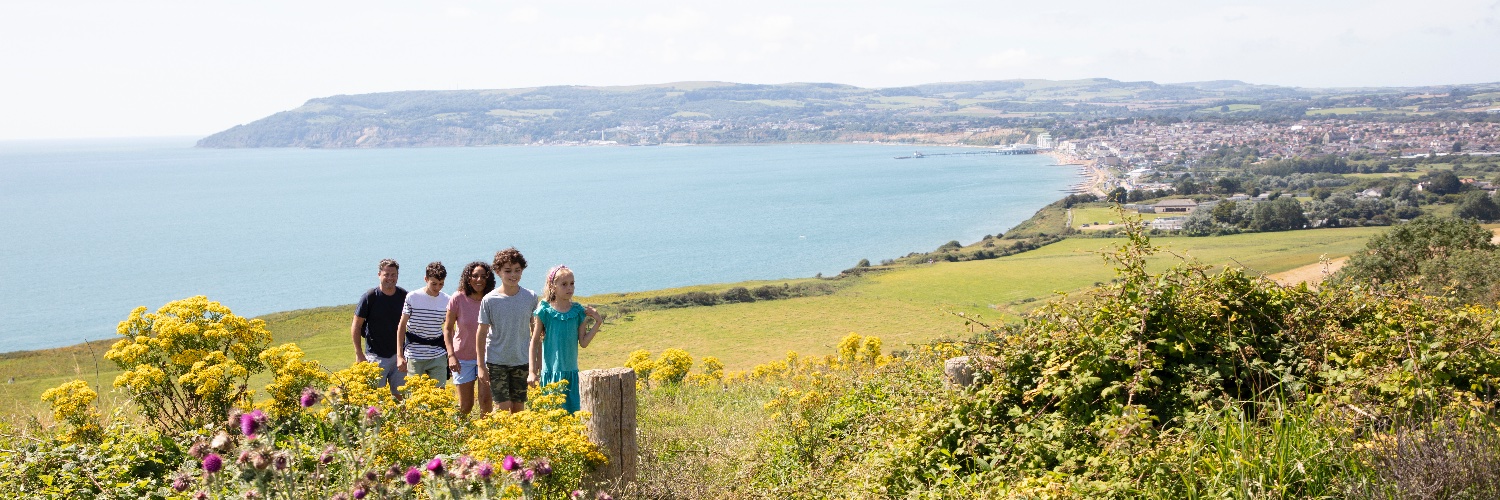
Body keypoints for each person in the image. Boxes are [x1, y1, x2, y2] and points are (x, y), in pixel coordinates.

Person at [529, 265, 604, 413]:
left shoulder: (577, 312)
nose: (569, 288)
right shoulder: (545, 311)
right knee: (552, 420)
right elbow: (534, 342)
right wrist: (532, 371)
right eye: (564, 284)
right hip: (551, 375)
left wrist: (598, 322)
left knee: (574, 418)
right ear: (553, 286)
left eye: (572, 283)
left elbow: (583, 343)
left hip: (572, 375)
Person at [476, 248, 538, 414]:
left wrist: (535, 364)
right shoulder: (489, 300)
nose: (513, 275)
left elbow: (535, 331)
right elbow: (481, 333)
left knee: (519, 410)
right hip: (497, 362)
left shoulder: (530, 297)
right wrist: (481, 365)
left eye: (517, 271)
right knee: (503, 409)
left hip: (522, 360)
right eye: (508, 271)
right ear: (498, 272)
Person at [351, 259, 408, 400]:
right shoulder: (369, 297)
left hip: (399, 357)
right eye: (386, 274)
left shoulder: (404, 296)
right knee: (375, 400)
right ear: (379, 275)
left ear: (397, 276)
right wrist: (359, 354)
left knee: (401, 398)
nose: (390, 278)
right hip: (375, 357)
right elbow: (356, 326)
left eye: (393, 274)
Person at [445, 261, 495, 417]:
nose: (479, 280)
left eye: (483, 276)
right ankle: (457, 434)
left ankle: (484, 437)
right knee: (466, 405)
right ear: (468, 278)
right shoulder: (458, 298)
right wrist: (451, 355)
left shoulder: (492, 299)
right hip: (463, 358)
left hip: (487, 357)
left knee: (486, 402)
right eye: (475, 276)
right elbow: (447, 329)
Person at [396, 262, 451, 388]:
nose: (437, 287)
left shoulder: (447, 300)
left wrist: (451, 355)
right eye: (434, 284)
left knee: (440, 397)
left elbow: (449, 329)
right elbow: (402, 326)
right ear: (426, 279)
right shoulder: (412, 297)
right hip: (414, 355)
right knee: (415, 397)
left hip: (438, 354)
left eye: (441, 284)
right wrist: (399, 356)